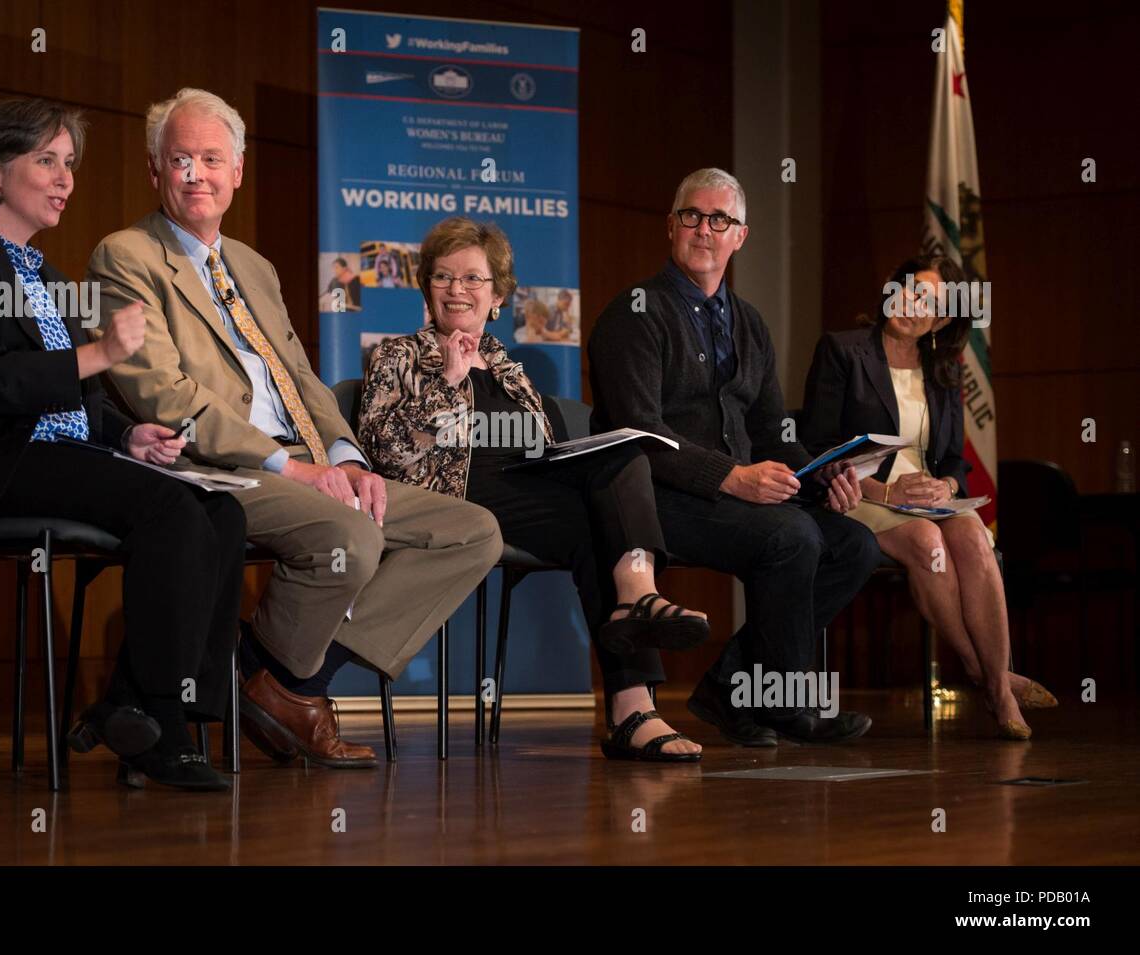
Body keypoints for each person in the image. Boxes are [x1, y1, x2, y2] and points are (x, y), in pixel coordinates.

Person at [86, 89, 502, 770]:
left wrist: (346, 457)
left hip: (308, 461)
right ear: (154, 170)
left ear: (237, 171)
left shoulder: (254, 266)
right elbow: (160, 391)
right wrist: (292, 469)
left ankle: (280, 679)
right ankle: (276, 684)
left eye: (211, 158)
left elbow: (303, 380)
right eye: (180, 159)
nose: (196, 174)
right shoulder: (124, 256)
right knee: (351, 534)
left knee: (471, 531)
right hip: (213, 466)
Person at [0, 99, 245, 791]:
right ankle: (159, 727)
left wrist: (127, 432)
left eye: (70, 164)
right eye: (46, 161)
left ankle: (139, 705)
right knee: (166, 512)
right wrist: (101, 354)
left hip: (56, 456)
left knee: (219, 511)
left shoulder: (47, 277)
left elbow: (76, 398)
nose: (65, 179)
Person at [359, 217, 710, 762]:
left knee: (618, 464)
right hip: (454, 497)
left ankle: (635, 616)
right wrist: (447, 386)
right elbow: (385, 455)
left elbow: (539, 444)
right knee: (598, 527)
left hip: (526, 486)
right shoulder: (399, 356)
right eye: (444, 277)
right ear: (426, 287)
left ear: (497, 295)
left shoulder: (508, 367)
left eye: (473, 279)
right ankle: (634, 697)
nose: (457, 290)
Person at [589, 167, 881, 747]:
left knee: (855, 545)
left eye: (718, 219)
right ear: (671, 227)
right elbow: (639, 434)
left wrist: (825, 476)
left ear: (739, 236)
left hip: (740, 495)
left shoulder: (748, 323)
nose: (704, 229)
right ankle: (785, 703)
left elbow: (772, 431)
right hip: (659, 498)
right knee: (792, 538)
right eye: (692, 216)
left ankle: (732, 687)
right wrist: (732, 477)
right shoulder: (635, 314)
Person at [800, 256, 1056, 739]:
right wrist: (884, 489)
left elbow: (954, 463)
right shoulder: (843, 350)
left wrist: (948, 487)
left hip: (925, 498)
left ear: (943, 321)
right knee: (927, 543)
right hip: (860, 494)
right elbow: (817, 449)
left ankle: (992, 676)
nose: (911, 306)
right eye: (909, 290)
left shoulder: (944, 370)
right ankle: (993, 682)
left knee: (976, 539)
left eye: (930, 303)